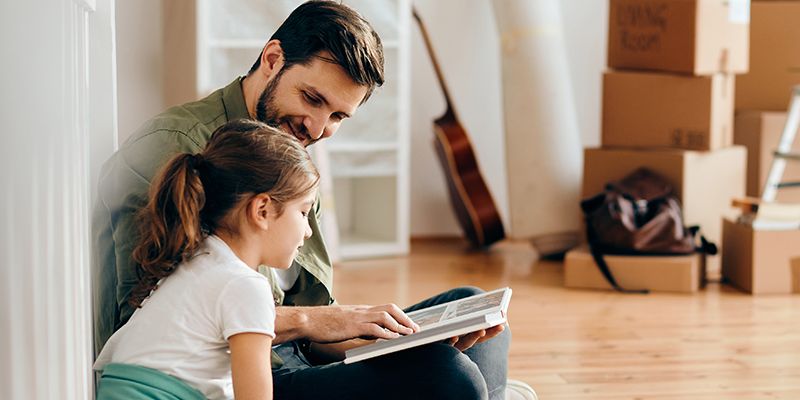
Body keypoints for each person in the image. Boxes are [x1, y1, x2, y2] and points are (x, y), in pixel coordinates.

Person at [92, 1, 535, 399]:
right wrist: (313, 323)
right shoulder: (176, 148)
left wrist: (370, 332)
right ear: (272, 59)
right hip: (238, 378)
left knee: (474, 312)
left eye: (338, 115)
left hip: (298, 355)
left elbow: (318, 323)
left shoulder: (289, 155)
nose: (318, 128)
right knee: (448, 376)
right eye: (312, 98)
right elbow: (149, 313)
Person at [94, 120, 320, 399]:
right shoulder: (245, 286)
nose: (308, 231)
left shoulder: (195, 259)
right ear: (262, 209)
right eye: (303, 212)